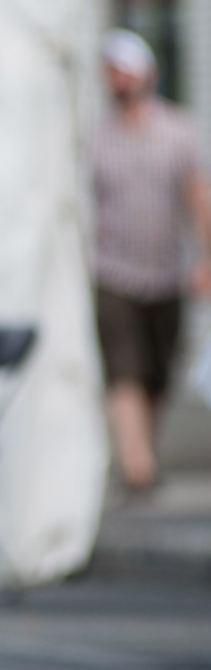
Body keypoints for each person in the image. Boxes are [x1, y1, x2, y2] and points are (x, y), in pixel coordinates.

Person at [92, 29, 211, 492]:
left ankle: (142, 450)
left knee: (158, 372)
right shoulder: (98, 136)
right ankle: (137, 465)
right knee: (123, 368)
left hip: (165, 273)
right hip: (112, 271)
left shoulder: (177, 131)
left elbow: (196, 198)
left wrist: (205, 257)